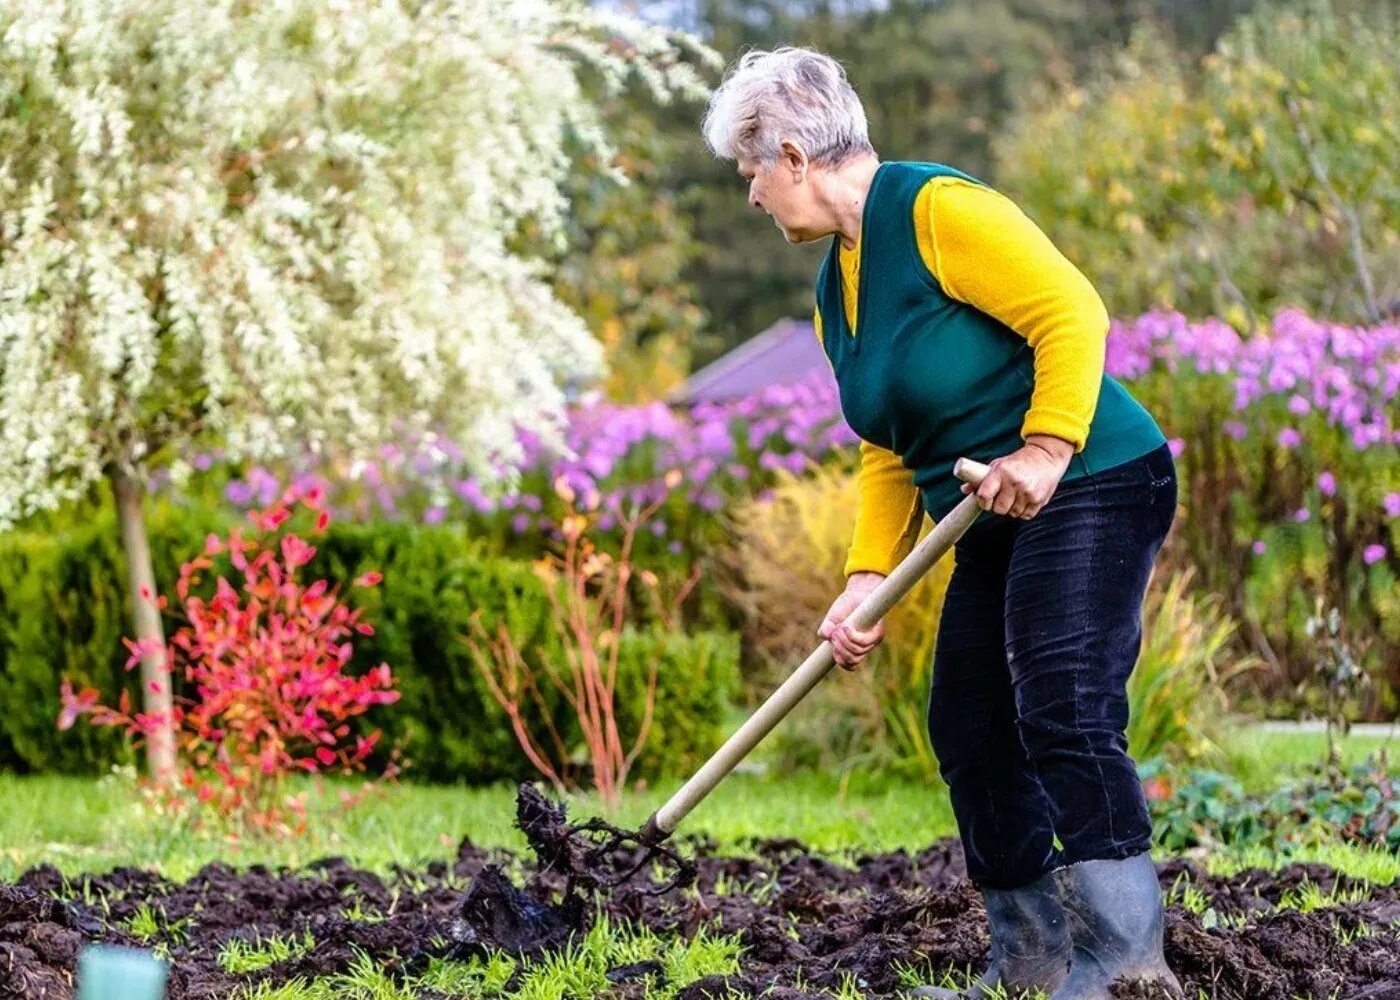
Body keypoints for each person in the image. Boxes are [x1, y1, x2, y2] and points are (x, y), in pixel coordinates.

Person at [701, 48, 1183, 1000]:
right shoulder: (840, 279)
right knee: (968, 723)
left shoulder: (933, 212)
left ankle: (1127, 965)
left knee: (1063, 701)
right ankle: (1031, 961)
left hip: (1093, 476)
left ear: (793, 156)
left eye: (750, 172)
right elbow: (892, 439)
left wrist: (1045, 448)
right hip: (989, 508)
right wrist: (862, 581)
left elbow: (1071, 312)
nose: (752, 198)